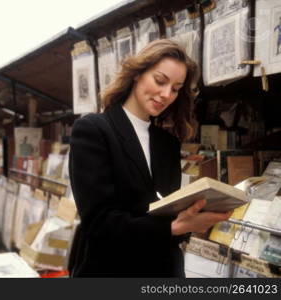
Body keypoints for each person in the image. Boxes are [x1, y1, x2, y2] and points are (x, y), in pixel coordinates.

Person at [68, 39, 232, 277]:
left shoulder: (167, 143)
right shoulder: (94, 130)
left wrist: (190, 219)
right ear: (137, 74)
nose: (166, 95)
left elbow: (167, 212)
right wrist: (173, 227)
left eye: (176, 89)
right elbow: (99, 223)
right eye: (160, 80)